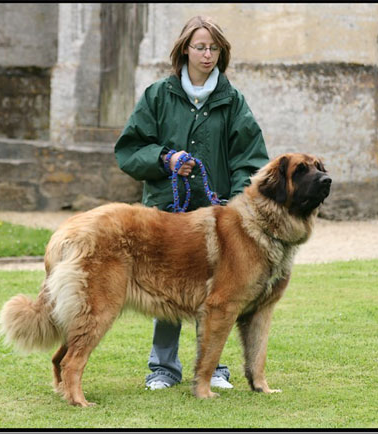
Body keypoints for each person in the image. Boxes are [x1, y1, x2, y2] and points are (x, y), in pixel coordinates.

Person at [114, 16, 269, 390]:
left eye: (214, 48)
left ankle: (213, 368)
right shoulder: (158, 95)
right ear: (185, 48)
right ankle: (163, 368)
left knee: (217, 290)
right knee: (168, 288)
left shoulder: (233, 101)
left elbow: (250, 159)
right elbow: (129, 150)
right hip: (166, 212)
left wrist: (235, 209)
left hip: (217, 219)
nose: (207, 54)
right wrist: (164, 159)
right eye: (201, 47)